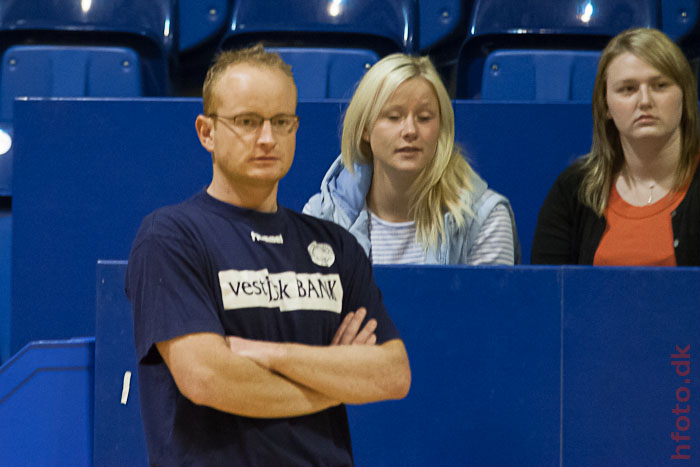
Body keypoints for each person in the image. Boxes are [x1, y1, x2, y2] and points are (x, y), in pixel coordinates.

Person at [125, 44, 411, 466]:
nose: (266, 138)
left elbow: (392, 374)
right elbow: (209, 378)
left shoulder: (335, 246)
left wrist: (269, 354)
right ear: (206, 131)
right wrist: (338, 375)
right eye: (246, 121)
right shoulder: (170, 237)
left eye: (281, 122)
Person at [303, 53, 520, 265]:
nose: (410, 130)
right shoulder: (321, 218)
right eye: (394, 117)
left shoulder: (484, 219)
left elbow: (491, 301)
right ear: (365, 129)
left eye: (424, 118)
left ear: (441, 128)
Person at [531, 28, 700, 266]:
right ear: (606, 105)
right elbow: (548, 294)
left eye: (660, 85)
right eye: (628, 89)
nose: (645, 101)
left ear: (685, 95)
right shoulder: (573, 190)